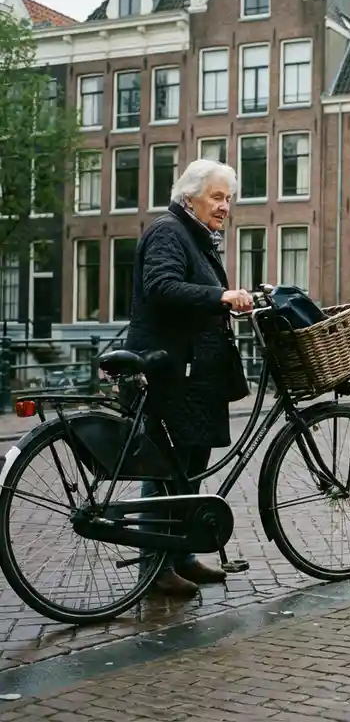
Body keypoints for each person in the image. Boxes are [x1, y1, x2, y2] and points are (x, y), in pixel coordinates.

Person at [129, 159, 254, 598]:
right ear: (190, 197)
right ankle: (153, 567)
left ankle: (179, 555)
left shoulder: (198, 237)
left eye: (229, 199)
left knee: (191, 465)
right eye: (217, 197)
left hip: (196, 372)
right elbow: (160, 286)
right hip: (171, 369)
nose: (225, 206)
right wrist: (221, 295)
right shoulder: (169, 231)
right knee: (167, 468)